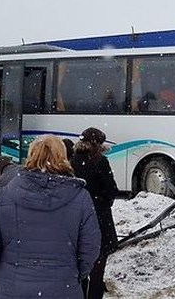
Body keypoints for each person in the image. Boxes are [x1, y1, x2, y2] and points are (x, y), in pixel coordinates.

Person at [0, 135, 101, 298]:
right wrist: (74, 274)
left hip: (12, 289)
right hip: (63, 288)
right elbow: (90, 248)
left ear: (31, 156)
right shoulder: (80, 197)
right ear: (63, 157)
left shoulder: (7, 194)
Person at [71, 127, 119, 299]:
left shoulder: (71, 161)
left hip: (75, 221)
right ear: (97, 145)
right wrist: (103, 203)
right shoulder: (100, 162)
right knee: (97, 271)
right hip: (99, 220)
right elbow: (111, 190)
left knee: (79, 268)